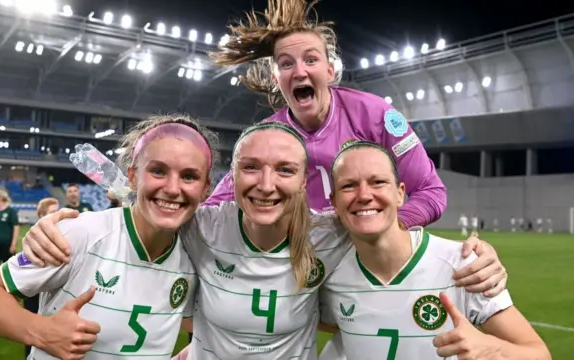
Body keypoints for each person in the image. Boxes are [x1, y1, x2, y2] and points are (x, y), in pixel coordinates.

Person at [19, 123, 507, 360]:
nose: (267, 184)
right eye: (250, 168)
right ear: (230, 178)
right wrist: (60, 223)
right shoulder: (203, 226)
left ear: (306, 184)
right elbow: (157, 204)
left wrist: (474, 253)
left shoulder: (330, 233)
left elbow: (381, 224)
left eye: (285, 170)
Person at [205, 0, 504, 357]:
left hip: (366, 262)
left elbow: (431, 192)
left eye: (311, 60)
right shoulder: (268, 137)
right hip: (302, 272)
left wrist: (371, 231)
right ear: (276, 79)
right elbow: (214, 207)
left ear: (330, 71)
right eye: (286, 64)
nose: (299, 70)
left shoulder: (376, 114)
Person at [0, 115, 216, 360]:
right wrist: (43, 332)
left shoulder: (195, 255)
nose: (173, 189)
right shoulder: (82, 233)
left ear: (205, 188)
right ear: (132, 176)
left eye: (189, 176)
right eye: (158, 171)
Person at [319, 141, 551, 360]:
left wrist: (493, 348)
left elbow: (540, 354)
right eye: (348, 186)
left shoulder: (464, 266)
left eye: (378, 182)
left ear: (400, 194)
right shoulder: (331, 273)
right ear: (334, 202)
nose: (364, 195)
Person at [22, 197, 60, 359]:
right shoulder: (34, 237)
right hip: (35, 290)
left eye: (58, 211)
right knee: (31, 329)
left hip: (55, 292)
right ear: (41, 215)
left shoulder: (66, 234)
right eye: (53, 212)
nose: (57, 216)